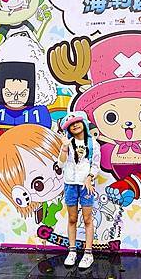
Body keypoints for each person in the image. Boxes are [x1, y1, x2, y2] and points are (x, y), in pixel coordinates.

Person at [58, 111, 101, 269]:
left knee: (88, 219)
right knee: (72, 219)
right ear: (68, 129)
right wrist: (64, 147)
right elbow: (61, 164)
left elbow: (96, 165)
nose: (75, 125)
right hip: (70, 184)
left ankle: (88, 253)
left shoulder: (93, 144)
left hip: (86, 186)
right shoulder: (67, 143)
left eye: (77, 122)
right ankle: (72, 251)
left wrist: (90, 177)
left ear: (83, 124)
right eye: (71, 125)